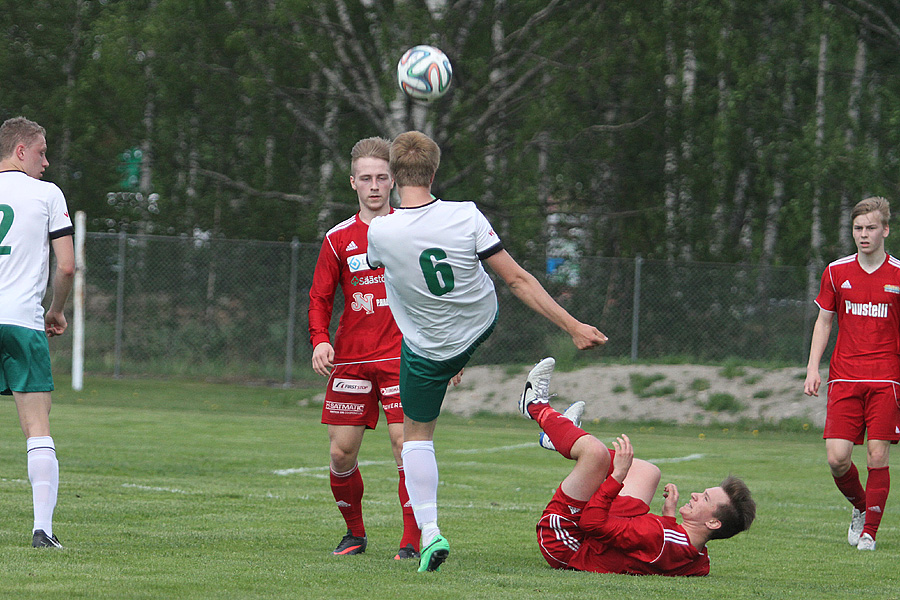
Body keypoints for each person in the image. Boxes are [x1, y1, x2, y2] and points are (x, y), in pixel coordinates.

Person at [366, 130, 607, 572]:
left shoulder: (379, 231)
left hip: (427, 350)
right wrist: (573, 326)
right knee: (461, 335)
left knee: (416, 438)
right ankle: (540, 415)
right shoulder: (466, 215)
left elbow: (382, 265)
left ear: (394, 176)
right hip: (479, 323)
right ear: (435, 172)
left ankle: (431, 531)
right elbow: (516, 280)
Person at [520, 357, 756, 575]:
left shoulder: (657, 535)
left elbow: (591, 522)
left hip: (566, 541)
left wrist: (617, 477)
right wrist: (668, 519)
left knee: (595, 454)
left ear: (713, 523)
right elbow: (662, 556)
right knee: (648, 472)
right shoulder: (698, 558)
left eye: (705, 498)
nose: (695, 494)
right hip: (598, 540)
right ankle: (565, 436)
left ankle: (534, 405)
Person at [307, 137, 421, 559]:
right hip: (352, 361)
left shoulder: (413, 229)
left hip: (402, 357)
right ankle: (355, 533)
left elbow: (435, 295)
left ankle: (411, 540)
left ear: (393, 180)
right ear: (353, 182)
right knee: (341, 452)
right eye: (366, 178)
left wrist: (446, 350)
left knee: (403, 444)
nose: (375, 186)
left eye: (382, 177)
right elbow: (319, 299)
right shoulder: (338, 239)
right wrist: (320, 341)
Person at [804, 196, 900, 551]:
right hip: (844, 376)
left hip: (887, 376)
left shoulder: (898, 274)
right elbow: (824, 320)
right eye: (858, 228)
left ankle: (870, 534)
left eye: (871, 228)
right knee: (837, 458)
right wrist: (813, 367)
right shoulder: (836, 271)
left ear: (885, 230)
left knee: (878, 454)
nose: (863, 235)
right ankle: (862, 506)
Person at [0, 116, 74, 548]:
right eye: (42, 152)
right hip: (22, 321)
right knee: (37, 426)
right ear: (21, 151)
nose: (47, 162)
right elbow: (66, 265)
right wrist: (56, 310)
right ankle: (42, 530)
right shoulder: (47, 195)